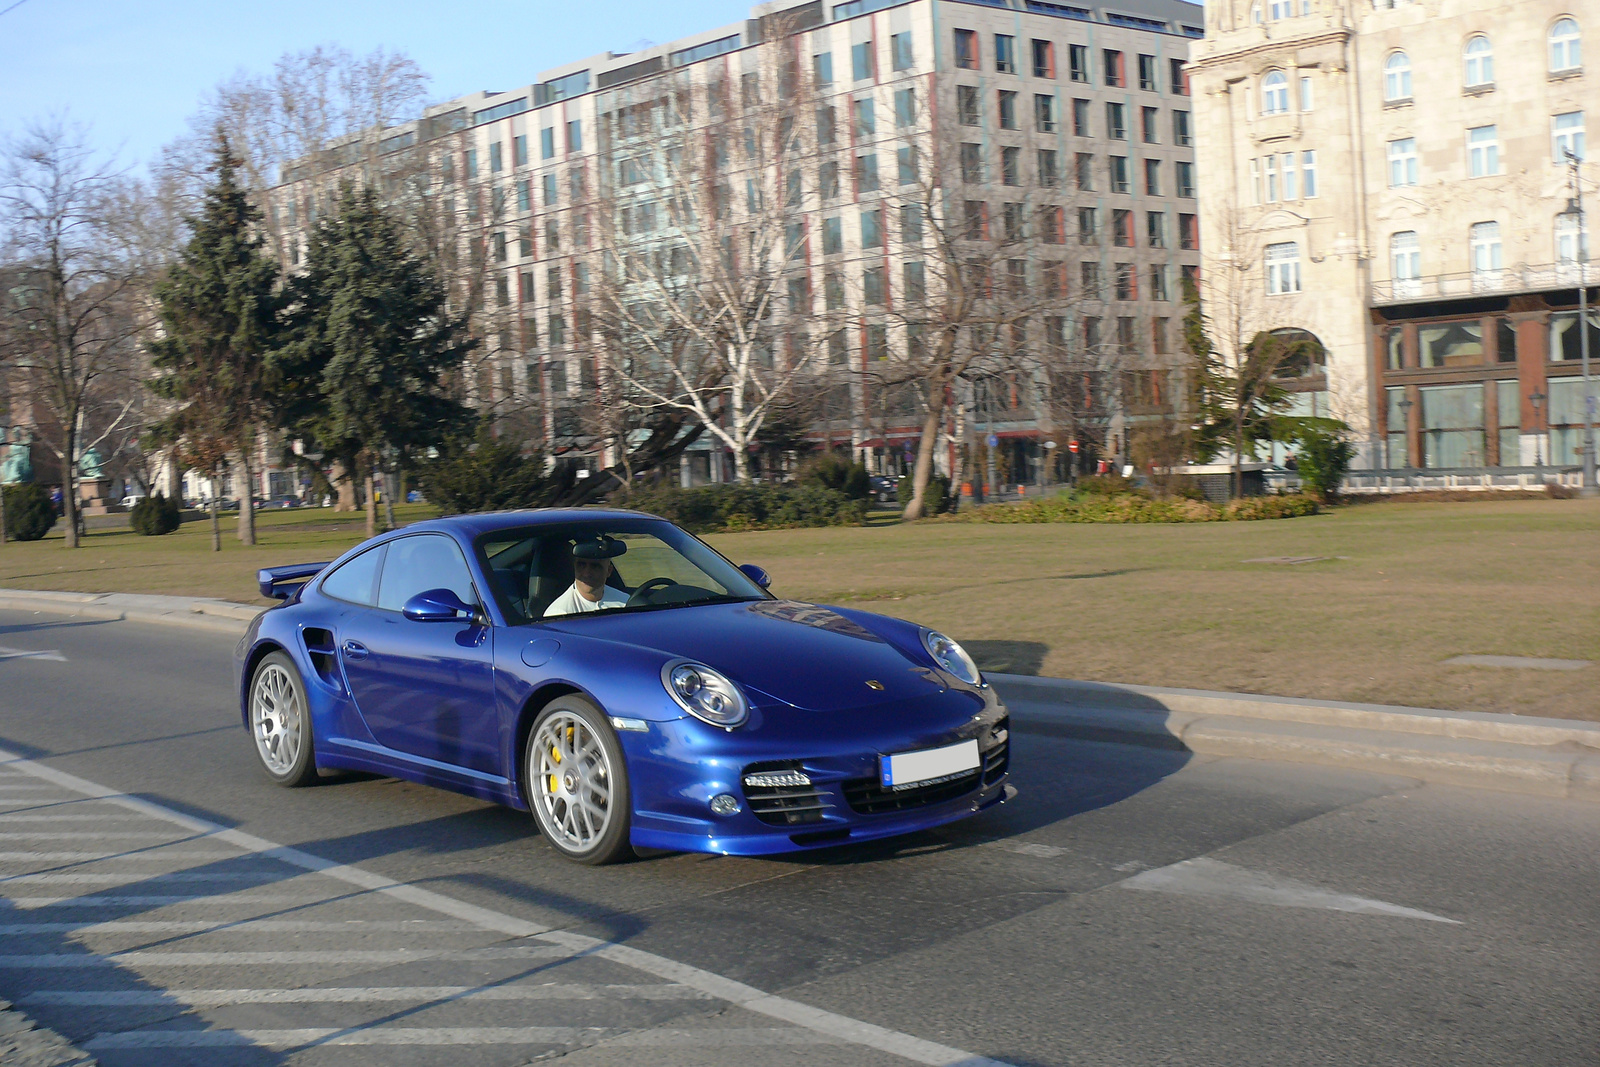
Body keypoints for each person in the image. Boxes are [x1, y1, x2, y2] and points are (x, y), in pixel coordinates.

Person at [544, 535, 630, 617]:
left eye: (595, 566)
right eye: (581, 565)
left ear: (609, 571)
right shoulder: (560, 613)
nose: (586, 573)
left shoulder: (626, 603)